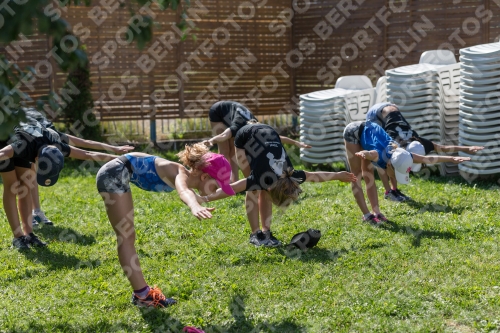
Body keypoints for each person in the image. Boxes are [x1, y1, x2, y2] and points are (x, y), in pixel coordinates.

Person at [96, 143, 235, 308]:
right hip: (114, 173)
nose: (216, 190)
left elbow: (191, 193)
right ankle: (143, 296)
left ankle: (142, 295)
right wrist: (194, 206)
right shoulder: (180, 174)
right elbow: (184, 192)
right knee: (126, 236)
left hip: (117, 171)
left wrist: (199, 202)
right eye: (216, 185)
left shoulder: (184, 176)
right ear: (204, 177)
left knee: (127, 235)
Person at [197, 122, 357, 247]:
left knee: (262, 188)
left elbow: (314, 175)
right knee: (253, 189)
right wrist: (204, 199)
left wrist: (338, 175)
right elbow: (234, 187)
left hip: (268, 132)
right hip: (244, 137)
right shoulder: (261, 178)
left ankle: (266, 232)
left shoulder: (291, 174)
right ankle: (255, 234)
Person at [0, 114, 119, 249]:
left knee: (25, 185)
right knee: (12, 186)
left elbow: (87, 154)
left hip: (21, 137)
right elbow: (2, 154)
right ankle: (18, 237)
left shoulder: (56, 144)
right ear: (38, 158)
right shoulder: (23, 145)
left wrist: (120, 158)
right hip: (3, 137)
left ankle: (28, 234)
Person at [343, 120, 471, 224]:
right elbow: (371, 153)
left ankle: (376, 212)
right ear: (389, 165)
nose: (397, 178)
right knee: (356, 176)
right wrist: (363, 154)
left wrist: (452, 158)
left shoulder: (405, 155)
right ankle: (367, 215)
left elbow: (428, 158)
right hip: (354, 132)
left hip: (369, 133)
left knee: (369, 176)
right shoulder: (378, 156)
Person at [24, 108, 135, 227]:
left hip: (36, 125)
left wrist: (117, 152)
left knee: (32, 170)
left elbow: (87, 149)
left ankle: (36, 212)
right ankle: (28, 216)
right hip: (21, 127)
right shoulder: (26, 142)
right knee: (27, 172)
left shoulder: (56, 140)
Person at [366, 102, 484, 202]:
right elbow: (389, 162)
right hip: (376, 115)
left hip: (390, 108)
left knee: (394, 160)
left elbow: (442, 148)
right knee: (382, 160)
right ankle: (389, 192)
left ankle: (395, 190)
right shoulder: (392, 144)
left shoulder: (420, 142)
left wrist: (467, 149)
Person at [204, 101, 311, 182]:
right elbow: (223, 135)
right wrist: (212, 141)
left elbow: (276, 137)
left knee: (233, 152)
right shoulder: (238, 126)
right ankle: (221, 181)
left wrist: (298, 143)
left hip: (232, 114)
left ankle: (234, 182)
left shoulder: (259, 128)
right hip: (218, 112)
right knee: (225, 150)